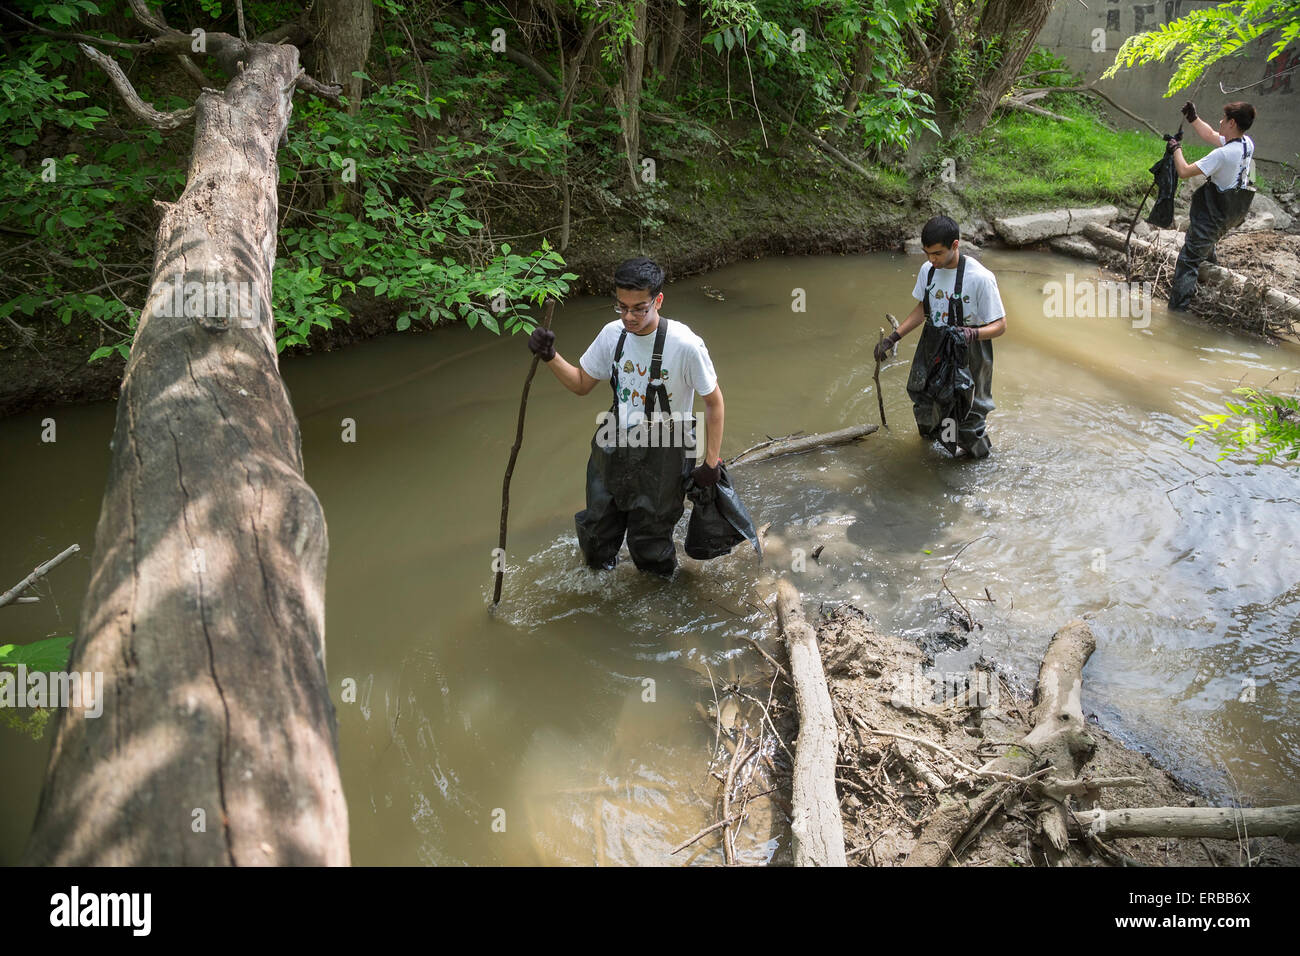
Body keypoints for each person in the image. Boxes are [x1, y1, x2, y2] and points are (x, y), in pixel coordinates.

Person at [528, 257, 725, 576]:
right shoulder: (612, 335)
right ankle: (600, 589)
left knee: (650, 541)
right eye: (621, 307)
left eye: (639, 308)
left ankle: (658, 599)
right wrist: (550, 356)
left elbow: (714, 403)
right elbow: (581, 384)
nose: (629, 317)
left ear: (658, 300)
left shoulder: (686, 345)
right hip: (615, 434)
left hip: (667, 442)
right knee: (597, 528)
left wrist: (711, 464)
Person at [874, 216, 1007, 458]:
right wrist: (893, 338)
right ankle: (932, 458)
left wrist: (972, 332)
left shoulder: (980, 278)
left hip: (969, 351)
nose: (931, 259)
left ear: (955, 245)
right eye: (927, 253)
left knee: (968, 413)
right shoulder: (929, 271)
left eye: (937, 253)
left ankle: (977, 464)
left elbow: (1000, 326)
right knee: (925, 400)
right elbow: (924, 308)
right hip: (933, 344)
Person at [1167, 100, 1257, 311]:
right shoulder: (1246, 144)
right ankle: (1209, 291)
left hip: (1213, 214)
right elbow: (1210, 135)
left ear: (1232, 123)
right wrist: (1193, 119)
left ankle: (1177, 313)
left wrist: (1175, 149)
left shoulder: (1222, 155)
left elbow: (1184, 171)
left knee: (1188, 260)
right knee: (1207, 244)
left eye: (1224, 119)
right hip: (1232, 213)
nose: (1220, 121)